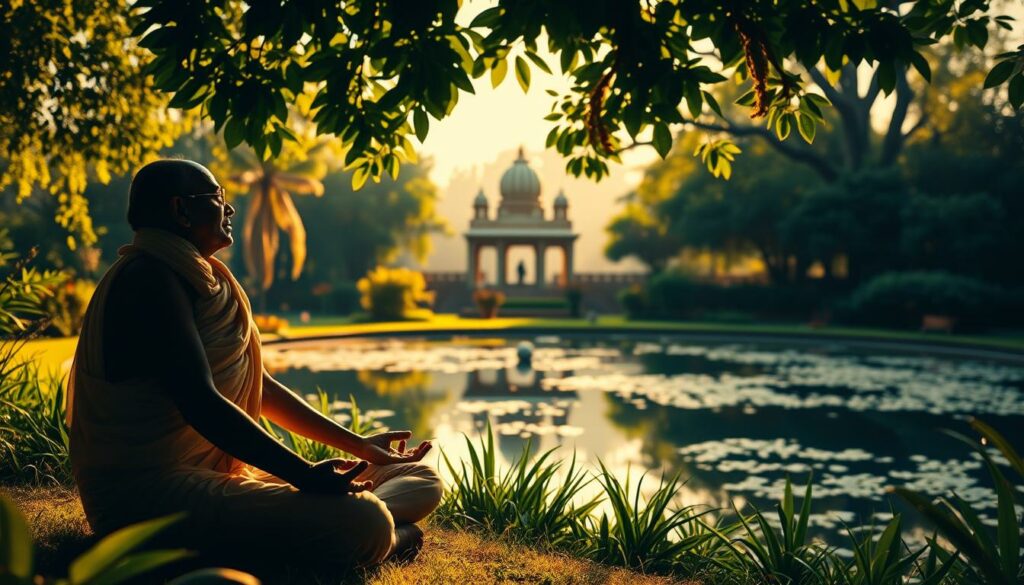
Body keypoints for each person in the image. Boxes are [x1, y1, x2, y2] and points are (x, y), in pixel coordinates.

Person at [65, 159, 443, 569]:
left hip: (214, 480)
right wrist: (303, 475)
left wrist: (360, 446)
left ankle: (369, 529)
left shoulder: (201, 276)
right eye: (217, 199)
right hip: (151, 492)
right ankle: (379, 533)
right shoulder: (150, 278)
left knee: (423, 479)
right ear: (181, 210)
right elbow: (201, 403)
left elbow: (257, 385)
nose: (228, 209)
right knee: (361, 519)